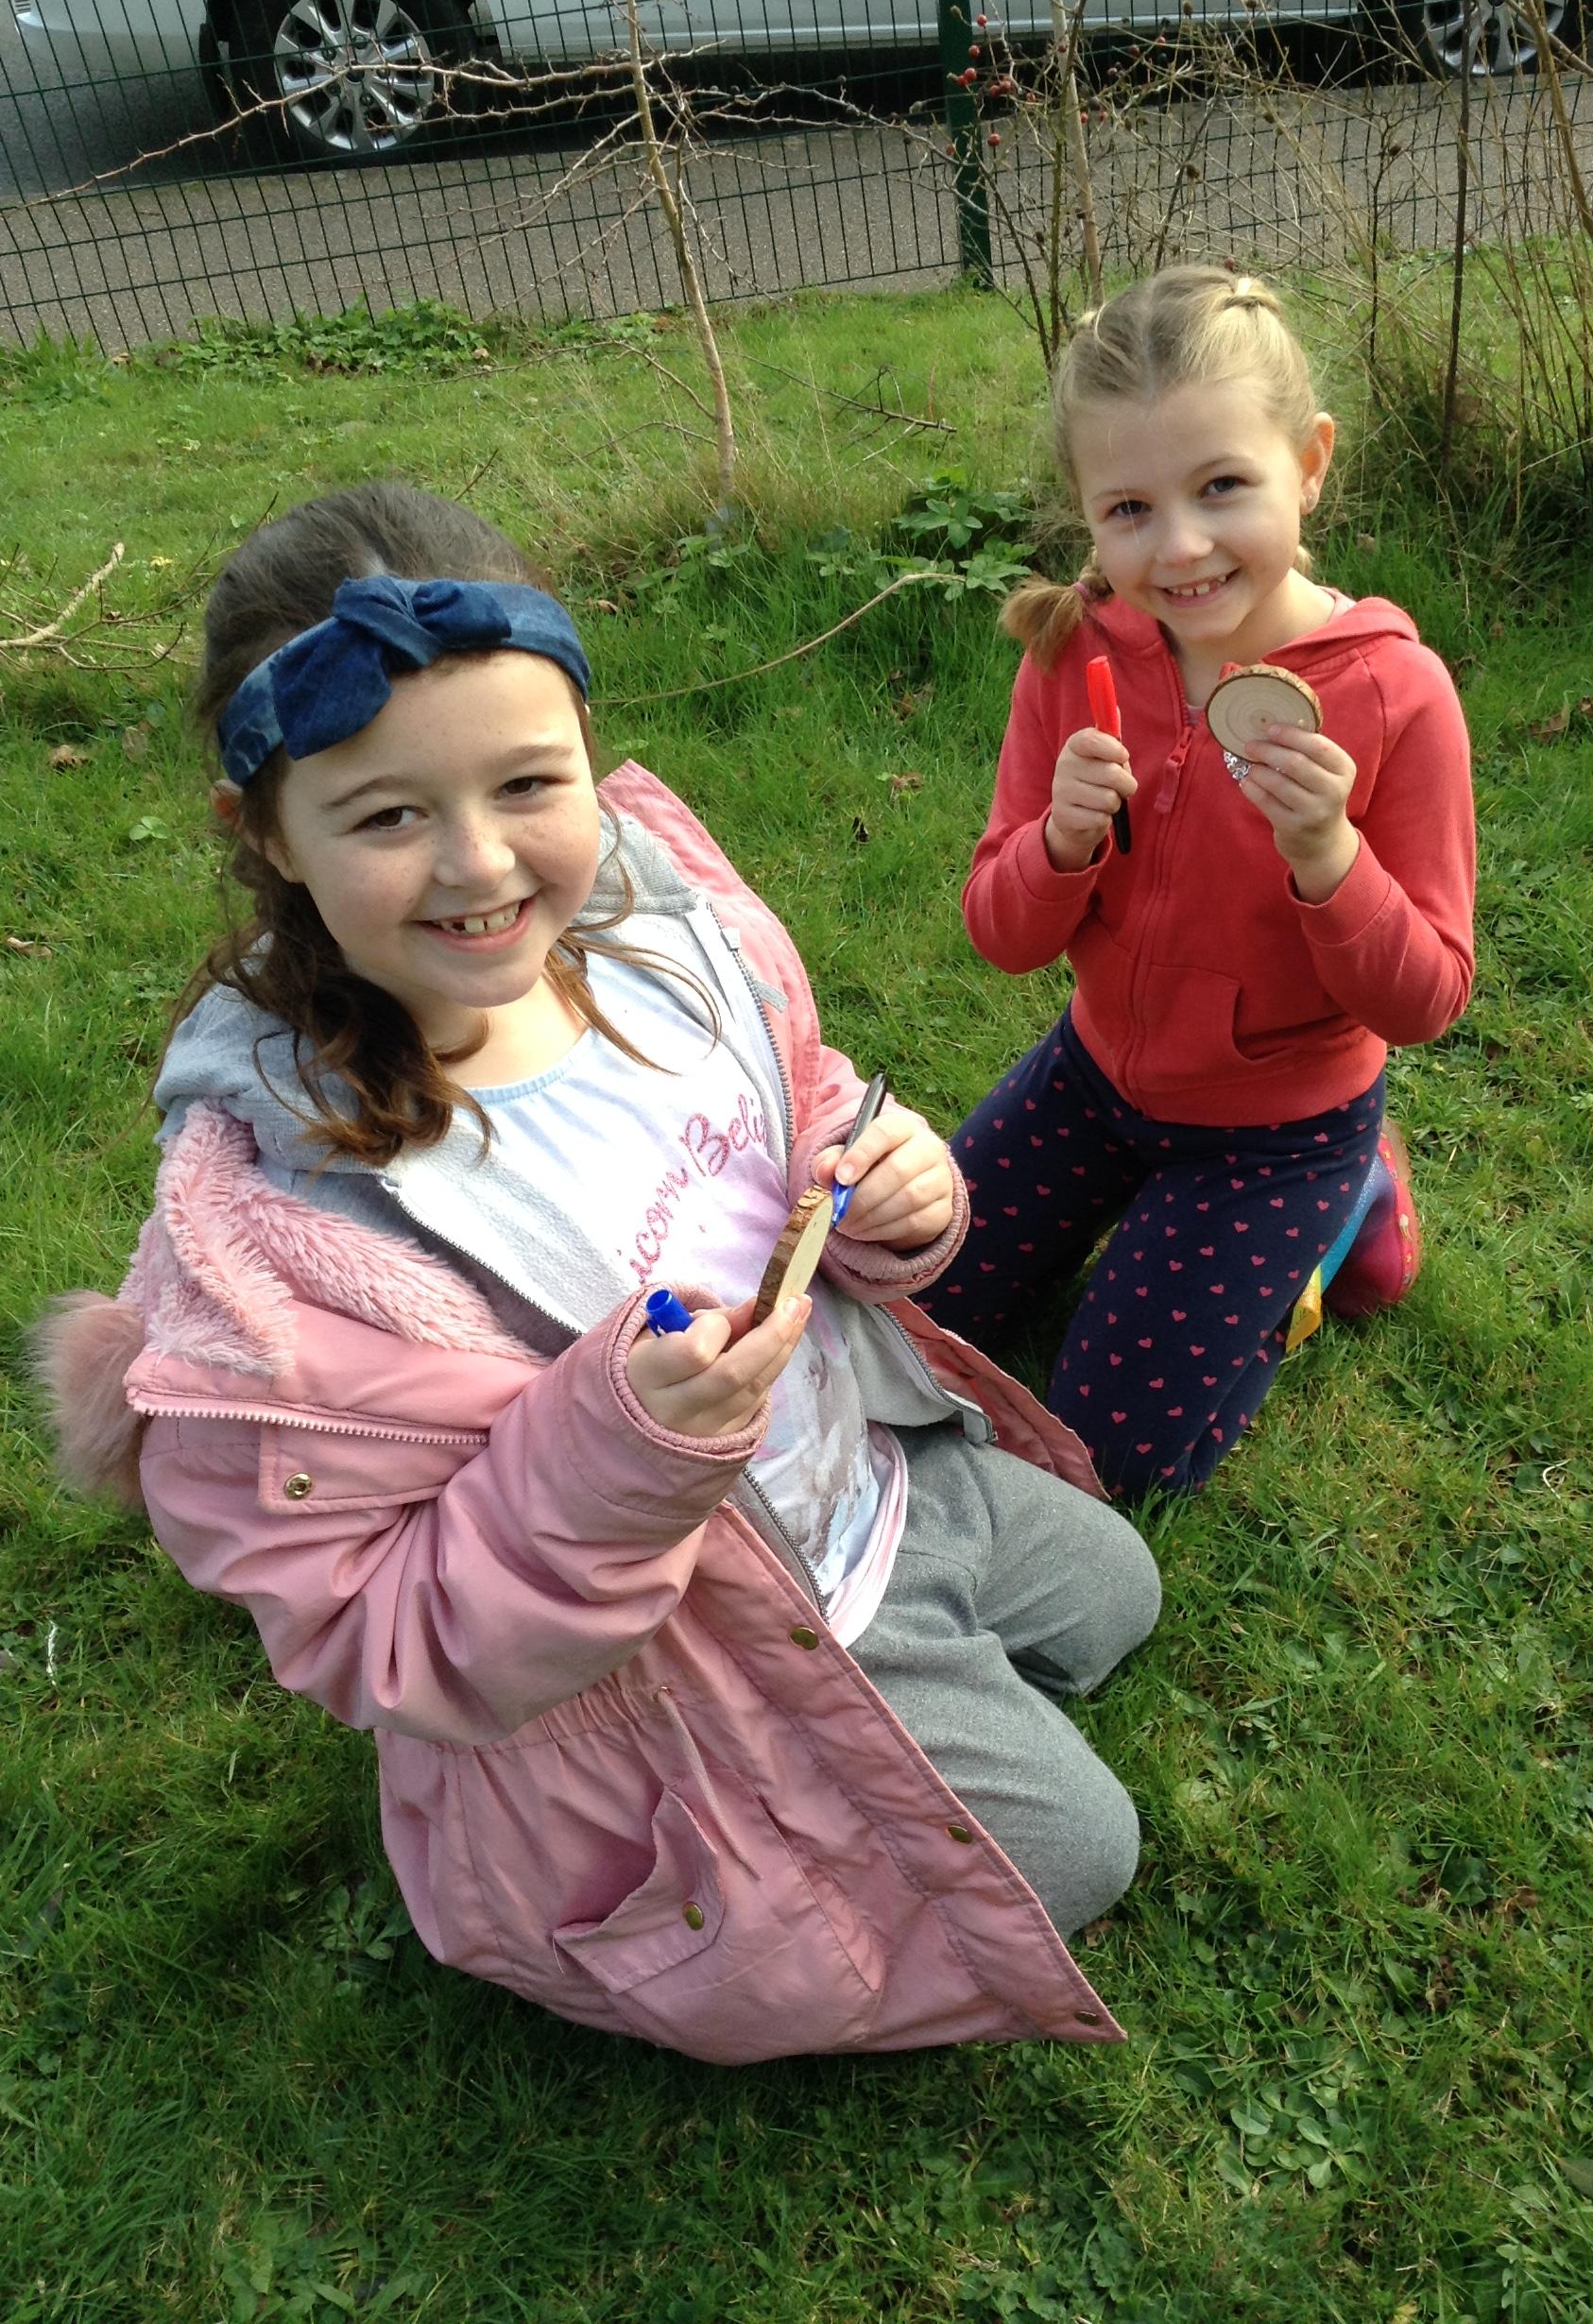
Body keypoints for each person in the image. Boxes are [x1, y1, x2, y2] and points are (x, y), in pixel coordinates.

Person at [35, 482, 1160, 2065]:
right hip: (681, 1668)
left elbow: (799, 1110)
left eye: (526, 783)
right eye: (386, 816)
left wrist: (889, 1191)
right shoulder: (280, 1256)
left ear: (583, 743)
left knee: (1119, 1593)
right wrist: (625, 1453)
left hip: (869, 1479)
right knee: (1084, 1855)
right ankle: (662, 1888)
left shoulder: (661, 938)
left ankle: (929, 1681)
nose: (478, 861)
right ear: (266, 835)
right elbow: (385, 1635)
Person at [918, 268, 1475, 1500]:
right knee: (908, 1317)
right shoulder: (1074, 653)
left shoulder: (1397, 696)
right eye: (1130, 508)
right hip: (1095, 1077)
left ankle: (1348, 1207)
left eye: (1222, 486)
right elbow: (1000, 933)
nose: (1178, 546)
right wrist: (1060, 845)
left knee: (1107, 1458)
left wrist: (1331, 857)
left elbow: (1429, 996)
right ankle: (1193, 1226)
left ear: (1309, 463)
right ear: (1086, 511)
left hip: (1278, 1133)